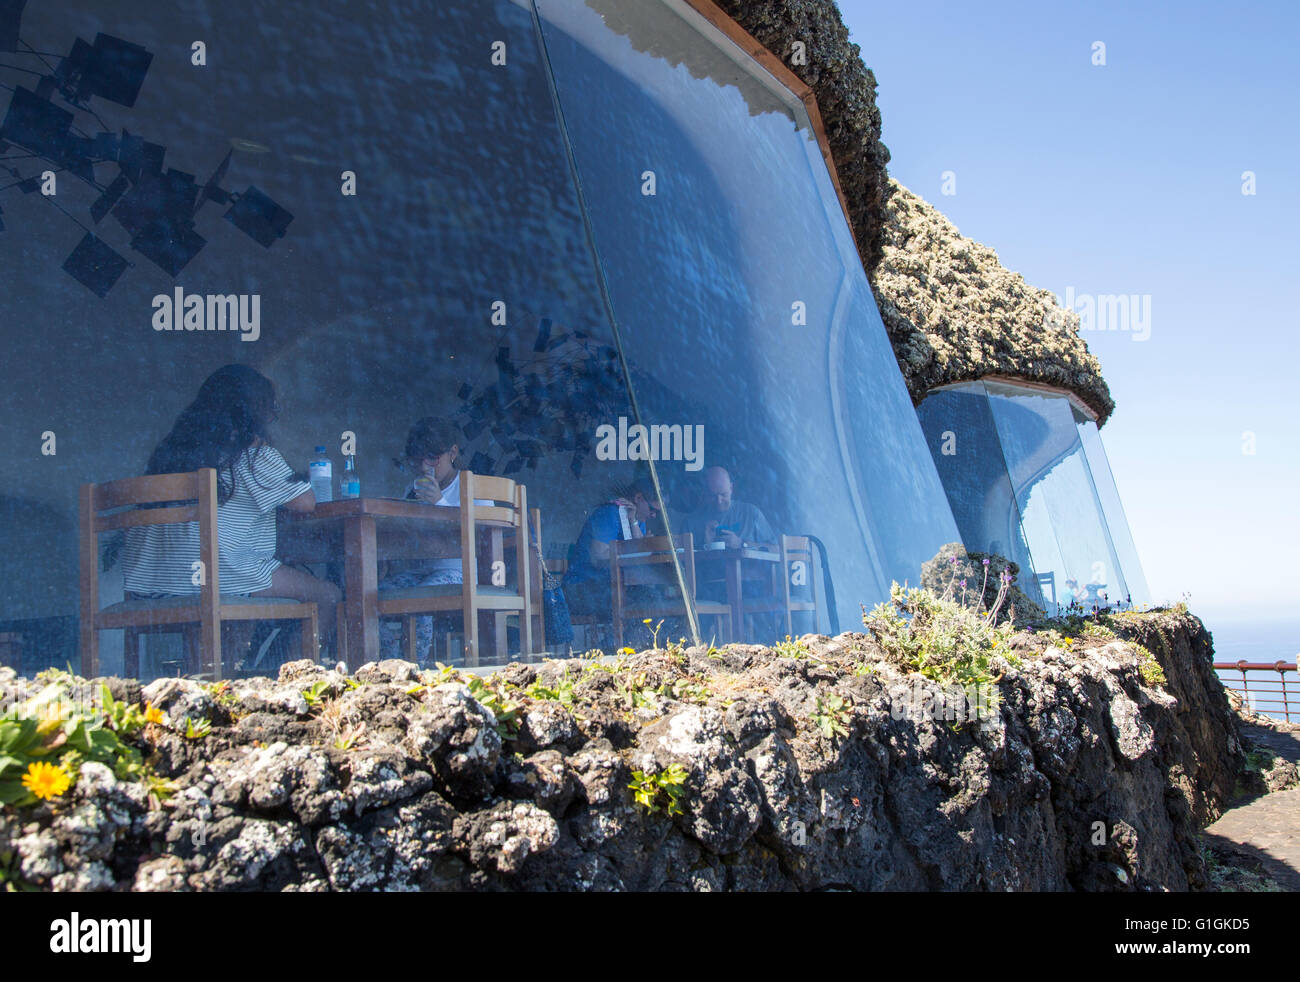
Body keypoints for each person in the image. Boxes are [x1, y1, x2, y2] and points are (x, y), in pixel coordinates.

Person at [122, 364, 341, 658]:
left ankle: (218, 679)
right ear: (254, 412)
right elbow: (306, 502)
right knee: (327, 594)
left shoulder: (169, 455)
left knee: (241, 595)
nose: (274, 417)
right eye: (271, 408)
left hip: (152, 585)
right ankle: (297, 684)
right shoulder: (253, 455)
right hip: (217, 580)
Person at [378, 417, 482, 663]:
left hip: (461, 573)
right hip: (422, 572)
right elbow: (400, 536)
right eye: (417, 459)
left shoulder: (473, 487)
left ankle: (418, 666)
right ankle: (390, 664)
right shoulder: (412, 490)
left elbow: (481, 536)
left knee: (420, 598)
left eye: (433, 458)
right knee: (373, 595)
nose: (425, 466)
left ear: (452, 452)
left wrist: (439, 504)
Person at [681, 466, 775, 549]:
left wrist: (741, 543)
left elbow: (776, 550)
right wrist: (704, 546)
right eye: (713, 496)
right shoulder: (690, 523)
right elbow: (679, 562)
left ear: (731, 488)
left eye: (723, 494)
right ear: (704, 492)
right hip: (706, 569)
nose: (719, 501)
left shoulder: (751, 514)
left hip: (746, 569)